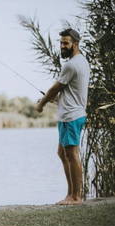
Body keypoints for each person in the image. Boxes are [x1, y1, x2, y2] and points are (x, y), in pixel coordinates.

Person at [36, 28, 90, 205]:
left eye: (66, 43)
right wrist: (56, 100)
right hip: (71, 114)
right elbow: (69, 91)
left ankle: (76, 197)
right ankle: (70, 194)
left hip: (71, 117)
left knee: (72, 154)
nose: (62, 46)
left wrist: (42, 103)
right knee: (62, 153)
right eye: (61, 43)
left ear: (75, 43)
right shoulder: (82, 61)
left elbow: (54, 88)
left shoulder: (72, 64)